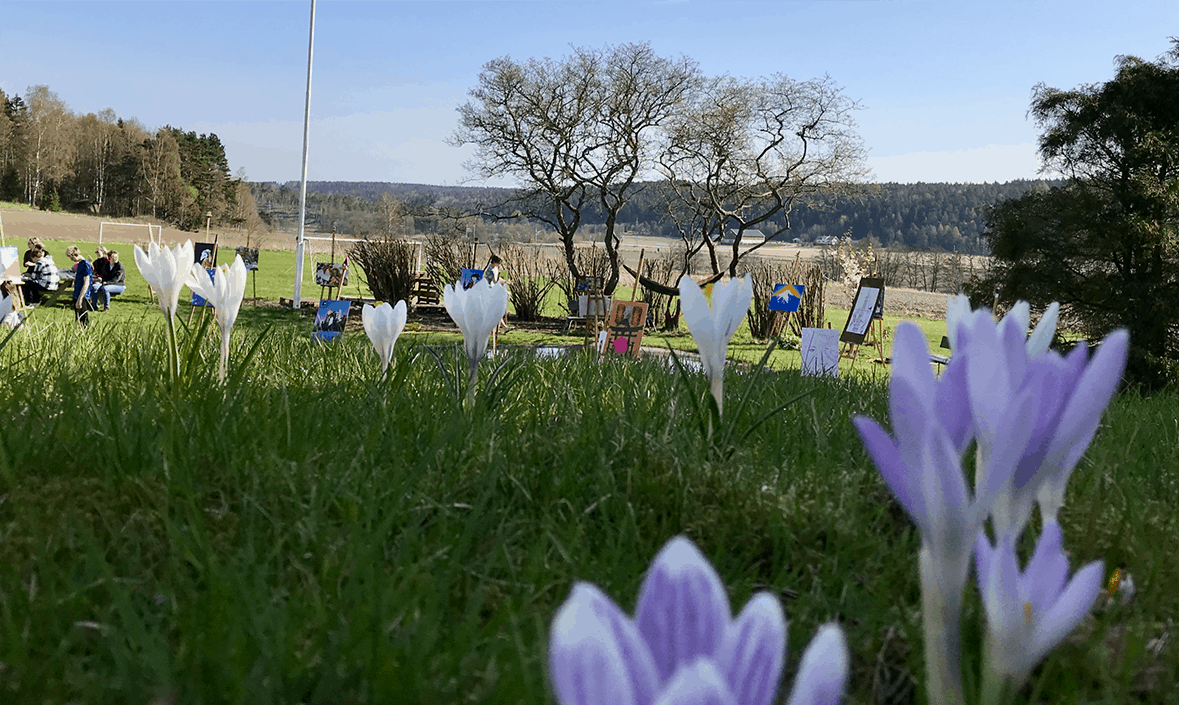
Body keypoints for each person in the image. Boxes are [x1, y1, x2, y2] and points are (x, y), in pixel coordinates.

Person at [65, 246, 94, 328]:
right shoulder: (80, 264)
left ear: (75, 255)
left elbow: (86, 282)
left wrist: (80, 298)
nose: (71, 259)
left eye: (71, 257)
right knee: (78, 317)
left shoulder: (85, 264)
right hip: (77, 292)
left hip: (83, 294)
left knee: (83, 318)